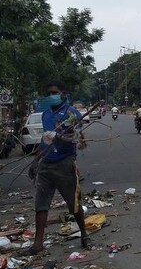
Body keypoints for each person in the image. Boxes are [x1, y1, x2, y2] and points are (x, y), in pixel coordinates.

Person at [24, 81, 91, 255]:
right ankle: (37, 244)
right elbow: (43, 141)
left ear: (63, 93)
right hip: (46, 164)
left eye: (54, 92)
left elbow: (77, 137)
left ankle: (84, 234)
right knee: (41, 204)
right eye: (49, 93)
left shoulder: (71, 113)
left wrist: (61, 135)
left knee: (73, 203)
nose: (51, 95)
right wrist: (35, 161)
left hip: (64, 163)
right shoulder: (46, 114)